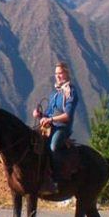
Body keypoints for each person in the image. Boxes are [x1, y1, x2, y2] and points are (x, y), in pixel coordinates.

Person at [33, 61, 79, 195]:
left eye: (60, 73)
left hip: (62, 128)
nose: (58, 76)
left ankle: (56, 179)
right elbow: (48, 113)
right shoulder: (55, 94)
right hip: (50, 127)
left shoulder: (70, 92)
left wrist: (51, 119)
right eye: (56, 74)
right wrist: (40, 115)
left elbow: (67, 116)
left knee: (53, 146)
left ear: (66, 73)